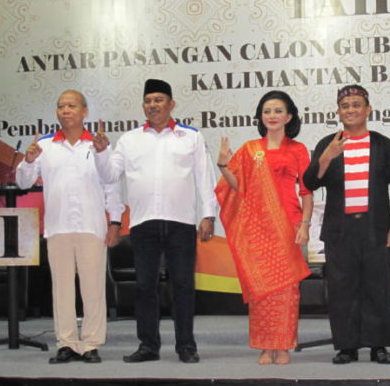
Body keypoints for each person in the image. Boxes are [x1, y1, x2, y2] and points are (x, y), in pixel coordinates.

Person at [93, 79, 217, 364]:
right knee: (145, 286)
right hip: (143, 223)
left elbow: (204, 179)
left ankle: (186, 345)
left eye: (159, 100)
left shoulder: (191, 137)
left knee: (183, 286)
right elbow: (110, 175)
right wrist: (102, 152)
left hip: (181, 222)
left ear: (171, 104)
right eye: (148, 101)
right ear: (143, 106)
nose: (153, 105)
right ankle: (148, 346)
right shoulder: (130, 139)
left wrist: (208, 215)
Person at [303, 85, 390, 365]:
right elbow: (310, 182)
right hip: (340, 230)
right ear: (338, 112)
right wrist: (327, 157)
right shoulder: (329, 142)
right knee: (342, 288)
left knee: (377, 287)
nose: (350, 110)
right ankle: (346, 346)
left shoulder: (382, 144)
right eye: (345, 106)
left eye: (356, 105)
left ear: (368, 110)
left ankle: (379, 345)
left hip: (376, 228)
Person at [16, 90, 124, 364]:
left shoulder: (97, 145)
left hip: (91, 226)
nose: (65, 110)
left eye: (71, 106)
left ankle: (90, 344)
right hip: (58, 226)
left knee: (93, 288)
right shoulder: (45, 145)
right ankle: (66, 343)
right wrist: (28, 161)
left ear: (84, 112)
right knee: (61, 288)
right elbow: (23, 183)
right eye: (61, 106)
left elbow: (111, 182)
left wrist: (114, 221)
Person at [215, 91, 312, 365]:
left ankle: (283, 346)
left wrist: (304, 224)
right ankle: (264, 346)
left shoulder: (298, 150)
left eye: (278, 110)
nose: (272, 115)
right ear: (260, 116)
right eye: (267, 111)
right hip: (257, 228)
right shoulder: (250, 149)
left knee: (287, 290)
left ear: (289, 116)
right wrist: (223, 164)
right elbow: (238, 189)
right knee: (263, 289)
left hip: (289, 225)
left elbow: (306, 192)